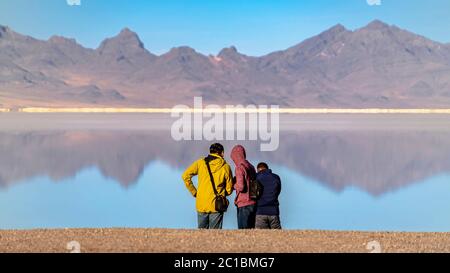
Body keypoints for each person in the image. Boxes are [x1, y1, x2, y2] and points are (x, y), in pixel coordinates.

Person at [182, 143, 234, 229]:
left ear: (210, 152)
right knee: (215, 236)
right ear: (222, 153)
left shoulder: (200, 163)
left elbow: (185, 176)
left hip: (201, 202)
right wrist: (225, 193)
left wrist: (195, 192)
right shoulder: (225, 167)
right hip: (217, 205)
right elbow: (229, 189)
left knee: (202, 235)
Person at [231, 145, 257, 229]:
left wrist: (233, 185)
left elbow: (241, 187)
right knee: (251, 232)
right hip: (253, 202)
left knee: (243, 233)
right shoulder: (251, 167)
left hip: (243, 204)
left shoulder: (239, 167)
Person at [255, 162, 282, 229]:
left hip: (260, 211)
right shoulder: (276, 177)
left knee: (262, 237)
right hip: (274, 211)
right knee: (278, 237)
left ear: (258, 169)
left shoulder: (256, 177)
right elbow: (278, 191)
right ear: (267, 168)